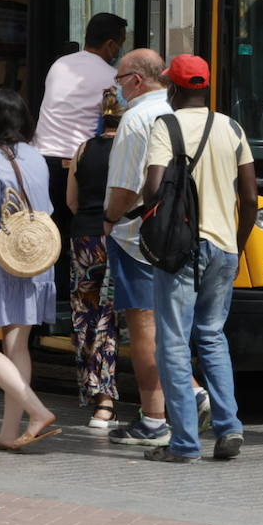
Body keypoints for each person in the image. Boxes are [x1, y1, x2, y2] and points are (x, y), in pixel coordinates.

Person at [141, 54, 258, 463]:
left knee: (172, 343)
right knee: (212, 336)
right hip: (224, 247)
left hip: (181, 250)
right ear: (205, 87)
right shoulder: (232, 127)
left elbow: (154, 188)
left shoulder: (165, 126)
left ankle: (185, 443)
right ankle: (230, 428)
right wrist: (238, 246)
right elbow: (250, 197)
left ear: (173, 88)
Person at [103, 50, 206, 449]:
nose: (117, 88)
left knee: (143, 327)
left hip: (139, 235)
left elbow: (126, 186)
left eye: (119, 80)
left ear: (136, 81)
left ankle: (155, 417)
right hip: (183, 234)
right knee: (173, 325)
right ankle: (191, 394)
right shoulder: (185, 111)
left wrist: (109, 219)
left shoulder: (137, 118)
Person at [0, 89, 61, 451]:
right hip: (33, 258)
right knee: (18, 346)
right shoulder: (36, 156)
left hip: (0, 264)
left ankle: (37, 411)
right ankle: (8, 433)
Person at [33, 13, 127, 238]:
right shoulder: (112, 78)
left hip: (42, 160)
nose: (120, 52)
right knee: (78, 236)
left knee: (49, 238)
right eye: (121, 45)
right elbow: (114, 122)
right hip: (76, 166)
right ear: (111, 44)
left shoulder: (59, 64)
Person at [65, 88, 122, 428]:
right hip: (117, 237)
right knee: (115, 317)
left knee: (86, 317)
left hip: (83, 238)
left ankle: (101, 399)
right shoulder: (131, 149)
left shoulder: (83, 149)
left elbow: (71, 201)